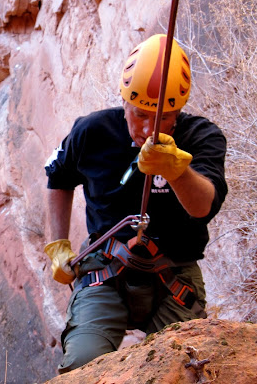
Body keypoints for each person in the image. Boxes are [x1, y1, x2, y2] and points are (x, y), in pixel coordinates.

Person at [43, 34, 228, 373]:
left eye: (163, 118)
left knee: (172, 372)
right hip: (105, 268)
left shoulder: (202, 138)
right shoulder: (92, 132)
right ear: (123, 101)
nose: (147, 128)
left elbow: (203, 206)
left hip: (176, 274)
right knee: (84, 366)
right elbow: (59, 177)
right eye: (139, 113)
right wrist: (58, 244)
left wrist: (177, 170)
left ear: (178, 112)